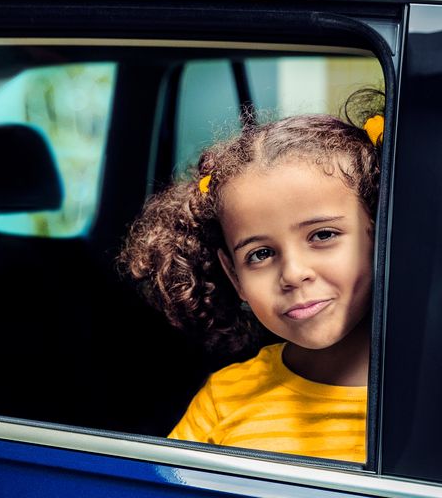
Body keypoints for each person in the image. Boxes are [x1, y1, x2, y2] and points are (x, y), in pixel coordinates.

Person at [117, 95, 385, 463]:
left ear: (380, 235)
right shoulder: (224, 400)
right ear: (234, 275)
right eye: (260, 254)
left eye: (323, 235)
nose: (292, 274)